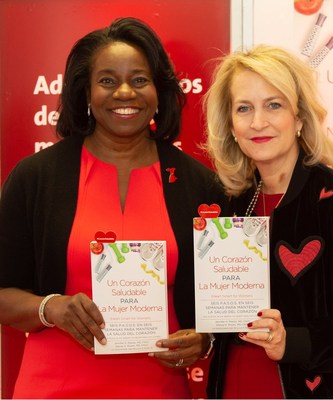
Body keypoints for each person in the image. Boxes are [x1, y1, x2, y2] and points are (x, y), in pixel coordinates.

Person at [0, 17, 228, 399]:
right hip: (54, 387)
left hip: (158, 389)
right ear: (85, 92)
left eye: (139, 80)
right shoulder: (36, 176)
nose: (125, 92)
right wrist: (50, 308)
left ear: (159, 91)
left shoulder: (199, 184)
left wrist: (205, 340)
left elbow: (224, 303)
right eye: (107, 80)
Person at [203, 44, 333, 399]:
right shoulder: (230, 206)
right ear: (231, 123)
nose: (258, 122)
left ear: (299, 117)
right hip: (237, 387)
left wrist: (297, 341)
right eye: (244, 108)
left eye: (274, 105)